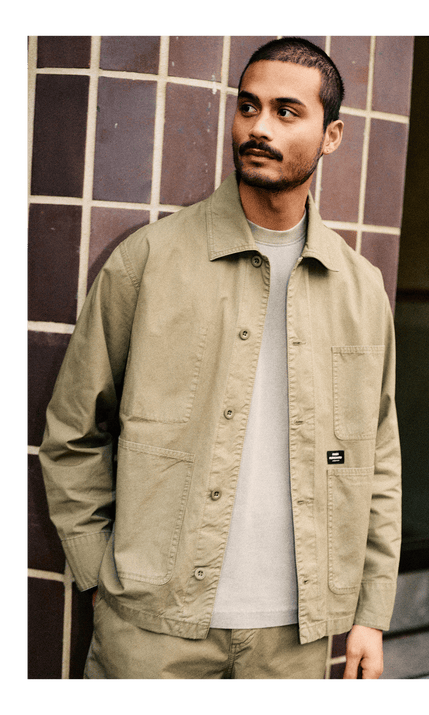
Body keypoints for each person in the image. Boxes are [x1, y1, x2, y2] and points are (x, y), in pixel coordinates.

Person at [39, 37, 401, 681]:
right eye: (248, 106)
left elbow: (376, 459)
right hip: (152, 632)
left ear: (332, 136)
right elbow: (73, 433)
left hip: (294, 639)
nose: (259, 127)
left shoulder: (361, 288)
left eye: (286, 111)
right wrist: (99, 576)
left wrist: (370, 612)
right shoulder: (148, 261)